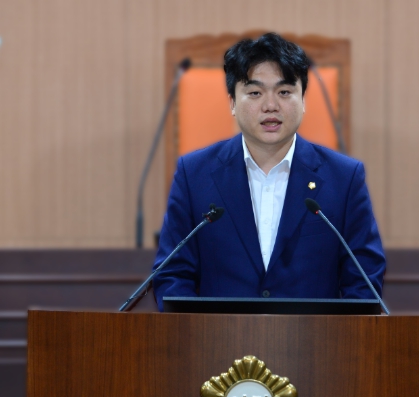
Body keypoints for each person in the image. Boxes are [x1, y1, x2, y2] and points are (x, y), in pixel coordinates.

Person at [152, 32, 385, 311]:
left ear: (303, 100)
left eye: (284, 92)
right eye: (255, 93)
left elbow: (363, 281)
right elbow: (172, 274)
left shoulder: (345, 179)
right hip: (219, 338)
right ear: (232, 102)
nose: (271, 106)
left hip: (313, 338)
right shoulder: (193, 175)